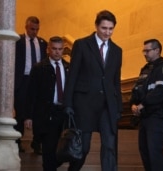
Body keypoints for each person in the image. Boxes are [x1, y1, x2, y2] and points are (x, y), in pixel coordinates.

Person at [63, 10, 123, 171]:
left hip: (107, 106)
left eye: (111, 29)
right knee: (83, 148)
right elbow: (72, 76)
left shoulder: (117, 51)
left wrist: (118, 106)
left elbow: (115, 81)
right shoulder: (82, 45)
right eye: (104, 28)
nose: (107, 32)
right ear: (96, 26)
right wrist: (68, 103)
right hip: (84, 104)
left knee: (110, 146)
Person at [130, 39, 163, 171]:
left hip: (156, 116)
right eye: (143, 50)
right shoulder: (145, 70)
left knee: (154, 153)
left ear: (157, 50)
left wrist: (142, 105)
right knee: (144, 152)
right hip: (143, 117)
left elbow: (160, 92)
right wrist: (134, 104)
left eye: (147, 50)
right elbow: (137, 90)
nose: (144, 53)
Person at [24, 36, 70, 171]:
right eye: (54, 49)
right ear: (48, 49)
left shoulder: (68, 67)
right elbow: (30, 93)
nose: (57, 52)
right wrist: (28, 116)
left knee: (60, 152)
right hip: (46, 115)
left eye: (60, 49)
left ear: (63, 50)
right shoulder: (39, 68)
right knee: (49, 151)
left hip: (63, 114)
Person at [14, 16, 47, 154]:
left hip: (38, 80)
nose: (35, 32)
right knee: (21, 112)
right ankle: (18, 142)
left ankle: (37, 143)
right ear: (26, 27)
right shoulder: (18, 41)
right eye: (32, 29)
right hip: (23, 80)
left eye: (37, 29)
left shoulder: (43, 43)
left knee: (39, 112)